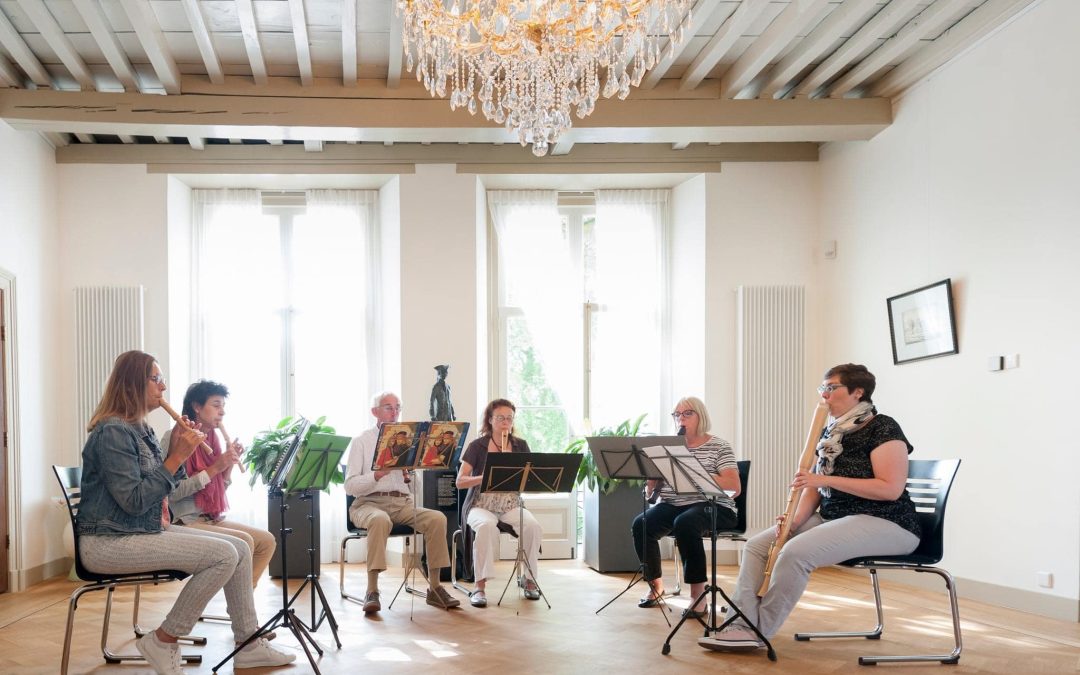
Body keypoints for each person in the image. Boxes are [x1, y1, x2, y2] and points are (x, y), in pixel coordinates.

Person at [76, 351, 295, 675]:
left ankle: (248, 644)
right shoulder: (113, 432)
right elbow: (134, 501)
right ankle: (164, 640)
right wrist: (176, 456)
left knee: (242, 546)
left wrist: (182, 453)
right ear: (134, 382)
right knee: (222, 554)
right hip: (109, 542)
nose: (163, 387)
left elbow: (161, 488)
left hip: (142, 529)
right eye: (156, 379)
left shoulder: (142, 430)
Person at [701, 364, 921, 651]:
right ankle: (740, 623)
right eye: (823, 388)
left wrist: (824, 478)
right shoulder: (830, 433)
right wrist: (793, 521)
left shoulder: (883, 427)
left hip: (888, 521)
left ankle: (758, 631)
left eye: (831, 388)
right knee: (757, 545)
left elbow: (890, 489)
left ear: (858, 392)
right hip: (835, 517)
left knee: (795, 553)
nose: (824, 395)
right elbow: (814, 489)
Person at [344, 392, 461, 612]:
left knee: (437, 518)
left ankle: (435, 588)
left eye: (398, 407)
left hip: (402, 504)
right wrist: (378, 474)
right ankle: (372, 590)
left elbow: (413, 490)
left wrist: (412, 472)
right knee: (379, 520)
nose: (395, 412)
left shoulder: (409, 442)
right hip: (367, 504)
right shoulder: (362, 441)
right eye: (388, 407)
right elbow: (350, 486)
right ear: (374, 412)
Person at [632, 396, 740, 618]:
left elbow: (734, 486)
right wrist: (650, 482)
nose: (681, 419)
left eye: (687, 413)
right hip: (674, 504)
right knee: (642, 523)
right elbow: (650, 494)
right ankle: (656, 587)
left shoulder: (719, 446)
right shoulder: (666, 448)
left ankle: (697, 597)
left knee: (686, 522)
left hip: (713, 506)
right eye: (677, 414)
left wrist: (697, 473)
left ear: (701, 416)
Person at [163, 380, 277, 587]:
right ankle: (241, 608)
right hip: (184, 521)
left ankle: (242, 602)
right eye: (216, 405)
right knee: (245, 542)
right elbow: (172, 492)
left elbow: (218, 489)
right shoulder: (177, 438)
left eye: (223, 406)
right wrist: (216, 467)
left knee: (266, 541)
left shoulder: (213, 440)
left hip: (210, 518)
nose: (222, 412)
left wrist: (228, 465)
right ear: (197, 407)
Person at [456, 398, 542, 607]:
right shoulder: (477, 446)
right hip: (480, 503)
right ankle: (479, 586)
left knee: (532, 525)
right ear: (490, 420)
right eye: (500, 418)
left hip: (510, 503)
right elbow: (460, 482)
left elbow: (530, 477)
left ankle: (529, 579)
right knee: (485, 526)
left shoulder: (520, 445)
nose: (505, 422)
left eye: (509, 418)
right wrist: (483, 477)